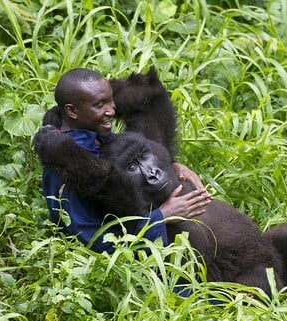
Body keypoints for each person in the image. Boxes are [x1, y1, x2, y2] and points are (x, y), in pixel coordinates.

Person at [41, 68, 212, 253]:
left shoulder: (94, 131)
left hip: (147, 213)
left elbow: (148, 92)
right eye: (100, 105)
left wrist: (169, 164)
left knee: (147, 92)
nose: (112, 111)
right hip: (143, 244)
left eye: (111, 100)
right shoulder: (65, 167)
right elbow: (94, 242)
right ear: (72, 111)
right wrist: (162, 216)